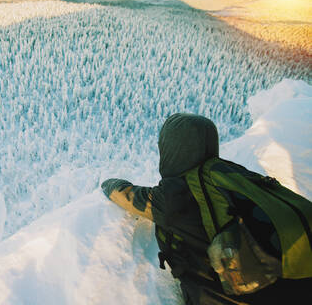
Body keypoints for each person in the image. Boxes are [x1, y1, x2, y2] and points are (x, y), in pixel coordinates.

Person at [101, 113, 312, 305]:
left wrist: (107, 182)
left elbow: (128, 197)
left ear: (173, 148)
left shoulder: (176, 194)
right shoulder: (230, 173)